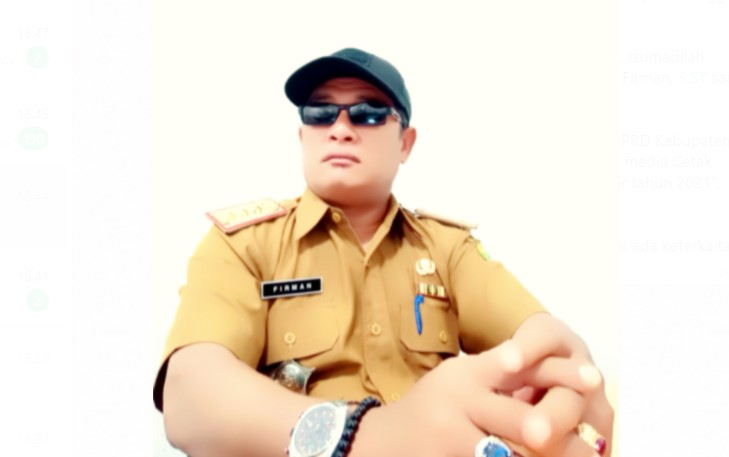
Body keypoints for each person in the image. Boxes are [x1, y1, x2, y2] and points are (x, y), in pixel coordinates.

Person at [153, 47, 614, 457]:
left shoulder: (446, 248)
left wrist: (563, 377)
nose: (340, 129)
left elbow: (537, 336)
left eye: (369, 113)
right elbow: (191, 394)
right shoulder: (243, 244)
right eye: (320, 113)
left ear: (405, 144)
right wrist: (366, 436)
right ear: (302, 137)